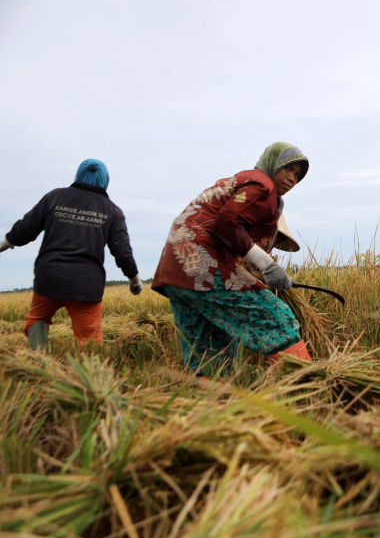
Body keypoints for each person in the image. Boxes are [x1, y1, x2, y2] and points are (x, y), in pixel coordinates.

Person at [151, 141, 311, 377]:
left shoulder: (239, 184)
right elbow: (227, 223)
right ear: (273, 162)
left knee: (208, 351)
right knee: (277, 321)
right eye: (288, 169)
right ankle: (311, 388)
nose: (292, 179)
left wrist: (263, 272)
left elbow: (231, 240)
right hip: (202, 266)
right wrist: (268, 266)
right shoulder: (263, 186)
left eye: (298, 176)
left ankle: (212, 404)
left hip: (176, 272)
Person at [0, 159, 142, 350]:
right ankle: (87, 375)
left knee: (37, 318)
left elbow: (25, 228)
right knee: (89, 339)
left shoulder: (55, 197)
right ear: (105, 181)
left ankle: (40, 360)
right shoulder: (112, 211)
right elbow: (122, 251)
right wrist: (135, 281)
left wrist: (4, 244)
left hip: (49, 277)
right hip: (86, 285)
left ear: (78, 175)